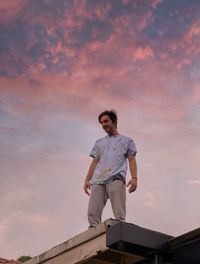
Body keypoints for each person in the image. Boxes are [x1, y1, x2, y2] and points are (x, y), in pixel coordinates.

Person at [84, 110, 137, 227]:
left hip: (116, 178)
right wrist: (87, 180)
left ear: (114, 121)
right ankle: (93, 237)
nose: (104, 124)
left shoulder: (127, 141)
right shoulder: (99, 142)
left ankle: (121, 232)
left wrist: (134, 178)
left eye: (106, 121)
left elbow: (132, 159)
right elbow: (94, 162)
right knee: (92, 213)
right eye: (101, 123)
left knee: (119, 213)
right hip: (98, 180)